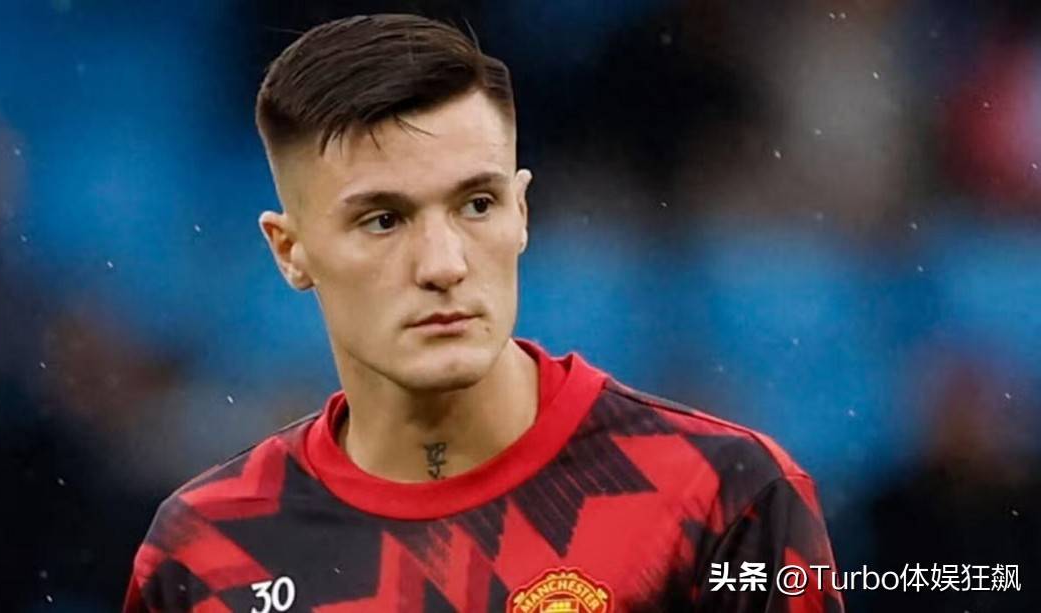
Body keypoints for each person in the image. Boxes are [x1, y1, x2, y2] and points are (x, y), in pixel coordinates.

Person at [124, 14, 843, 612]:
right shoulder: (205, 551)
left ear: (521, 213)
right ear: (291, 251)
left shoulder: (723, 497)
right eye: (383, 219)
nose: (443, 264)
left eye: (476, 204)